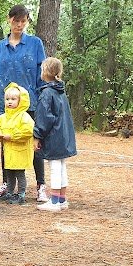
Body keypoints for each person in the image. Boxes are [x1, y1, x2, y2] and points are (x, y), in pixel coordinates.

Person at [0, 4, 48, 202]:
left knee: (34, 144)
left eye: (23, 21)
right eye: (16, 21)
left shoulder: (35, 44)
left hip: (29, 106)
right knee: (6, 144)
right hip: (4, 107)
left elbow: (43, 74)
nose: (19, 25)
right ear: (9, 20)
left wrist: (47, 96)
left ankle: (41, 185)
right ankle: (7, 184)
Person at [33, 57, 77, 212]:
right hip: (64, 136)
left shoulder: (47, 93)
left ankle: (54, 202)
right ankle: (62, 199)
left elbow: (45, 118)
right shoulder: (61, 92)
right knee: (62, 166)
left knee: (55, 167)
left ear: (46, 72)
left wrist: (37, 135)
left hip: (54, 137)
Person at [0, 83, 35, 204]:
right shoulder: (3, 117)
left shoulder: (24, 116)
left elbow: (28, 131)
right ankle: (9, 193)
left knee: (20, 174)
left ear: (21, 100)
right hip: (8, 153)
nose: (10, 102)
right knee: (9, 174)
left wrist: (12, 136)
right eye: (7, 99)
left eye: (13, 99)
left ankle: (21, 195)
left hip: (20, 152)